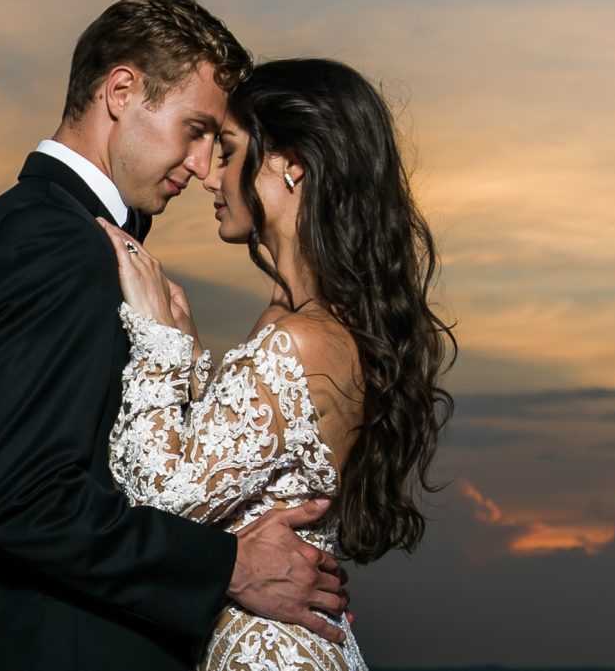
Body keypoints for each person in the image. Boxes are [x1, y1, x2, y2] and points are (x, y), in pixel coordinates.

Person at [0, 0, 349, 671]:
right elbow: (23, 499)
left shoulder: (75, 236)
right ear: (122, 90)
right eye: (192, 130)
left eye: (214, 143)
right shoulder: (50, 240)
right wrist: (232, 567)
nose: (198, 165)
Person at [98, 57, 456, 671]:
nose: (209, 175)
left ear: (291, 164)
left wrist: (158, 341)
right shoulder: (287, 326)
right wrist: (185, 359)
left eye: (230, 151)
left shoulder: (304, 341)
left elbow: (157, 500)